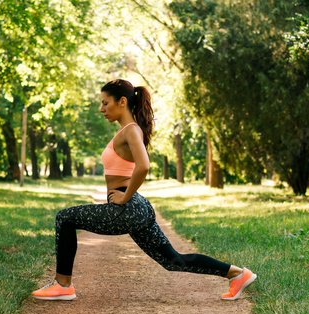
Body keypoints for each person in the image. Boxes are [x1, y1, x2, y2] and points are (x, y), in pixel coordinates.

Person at [32, 79, 256, 301]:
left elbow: (144, 165)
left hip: (128, 208)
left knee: (65, 218)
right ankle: (237, 274)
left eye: (105, 103)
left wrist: (124, 197)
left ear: (122, 102)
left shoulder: (130, 131)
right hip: (138, 208)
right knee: (173, 261)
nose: (101, 109)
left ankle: (63, 285)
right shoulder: (129, 131)